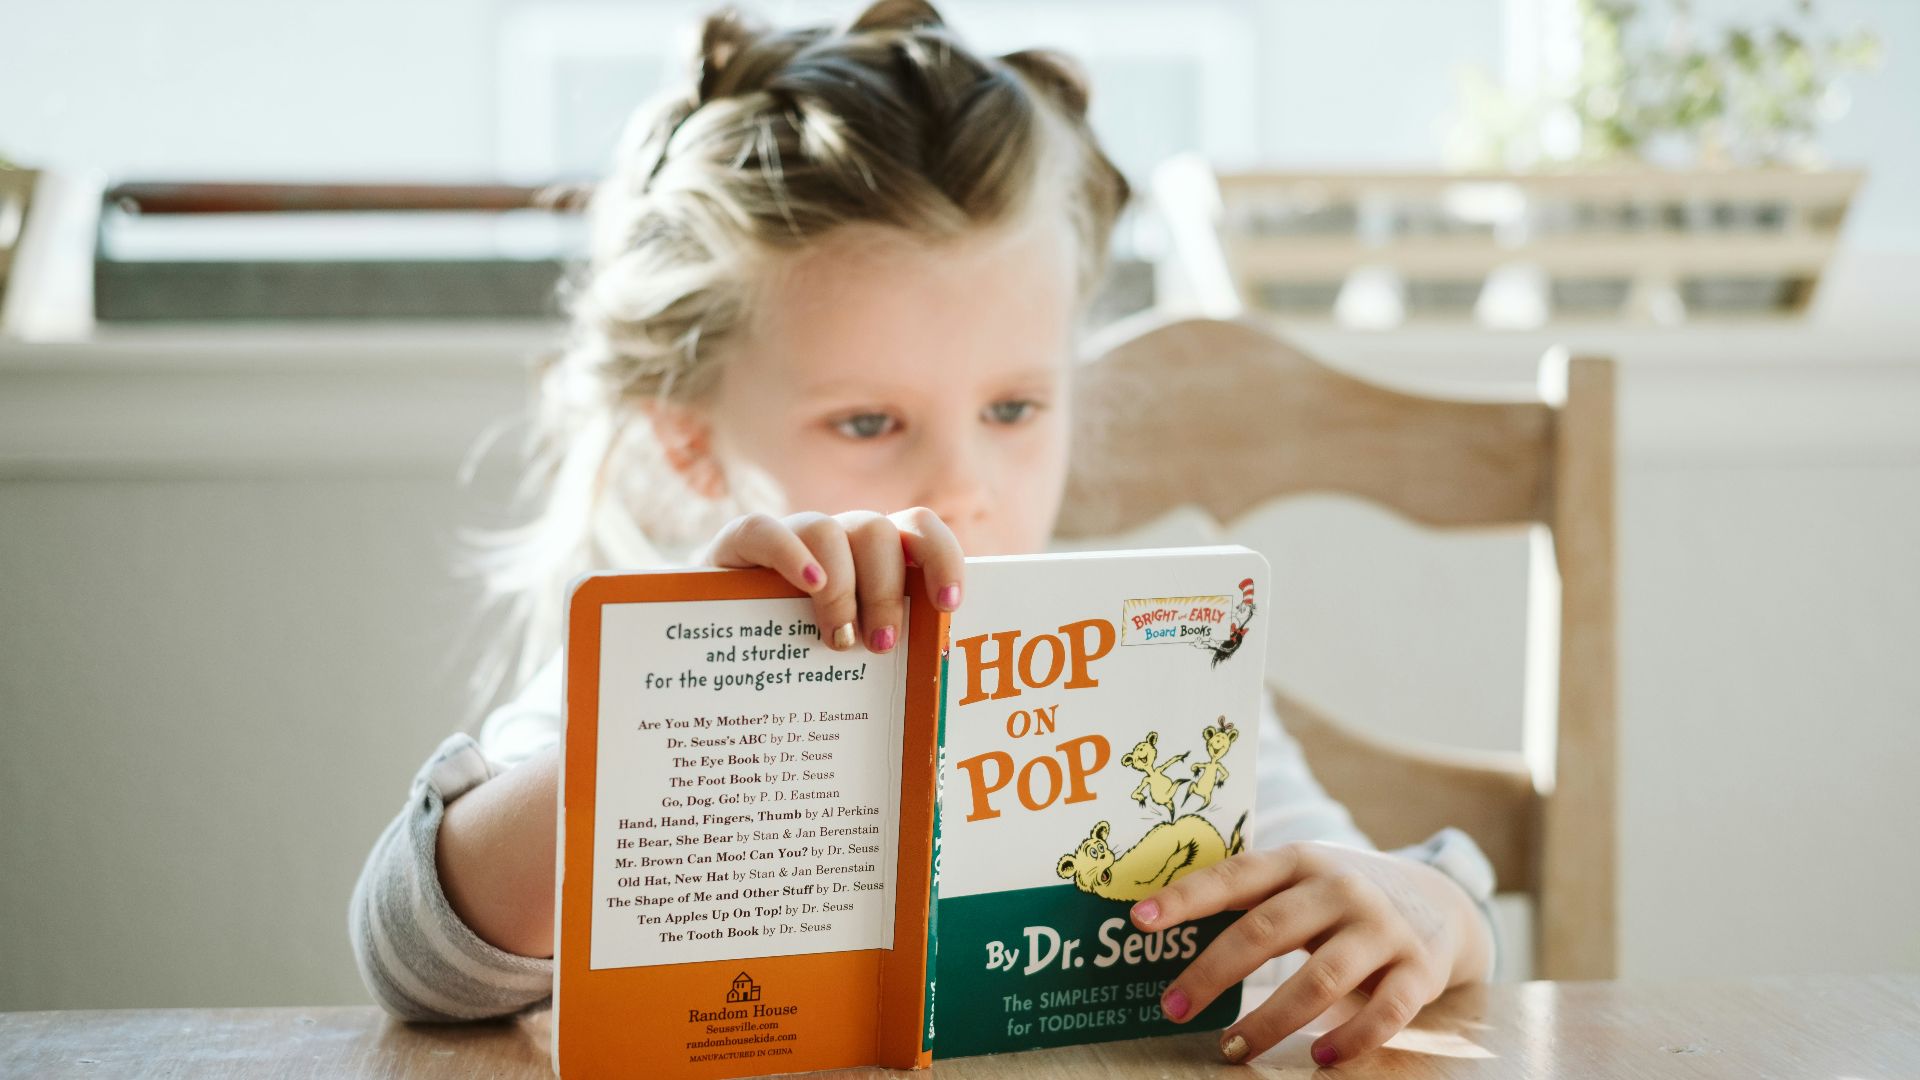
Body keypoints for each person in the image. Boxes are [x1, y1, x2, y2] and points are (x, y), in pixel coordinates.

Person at [347, 1, 1496, 1066]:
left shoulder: (1158, 666)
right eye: (867, 421)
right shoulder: (651, 669)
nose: (960, 484)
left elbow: (1400, 903)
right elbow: (415, 958)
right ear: (690, 443)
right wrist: (673, 711)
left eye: (1013, 409)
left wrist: (1430, 914)